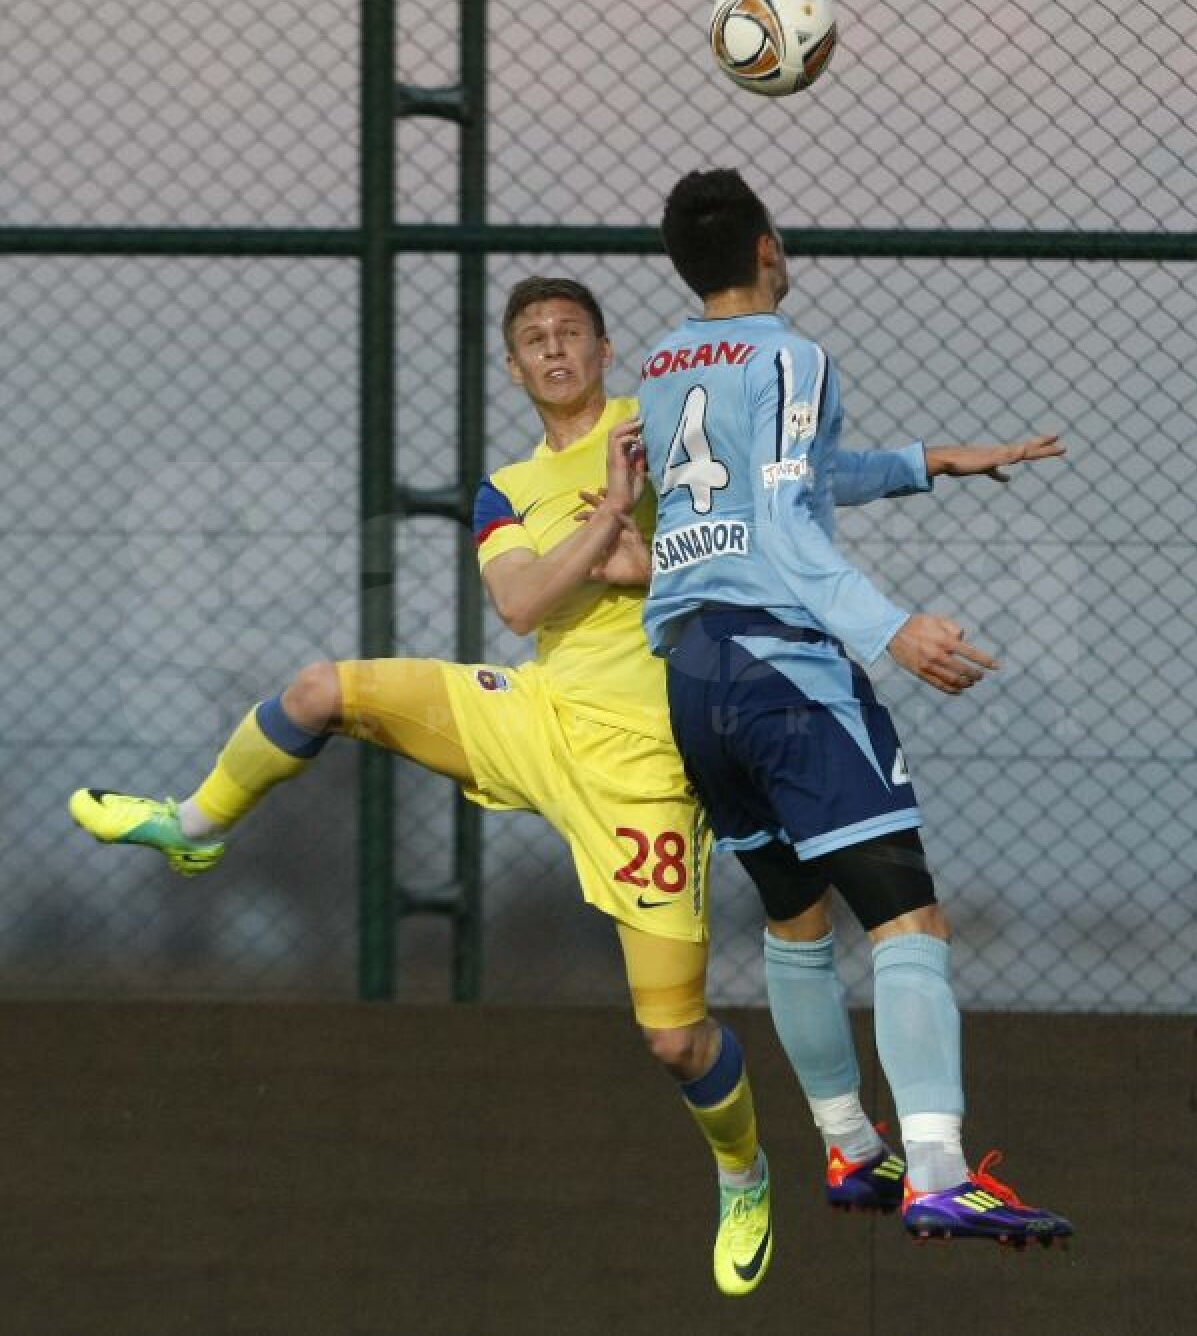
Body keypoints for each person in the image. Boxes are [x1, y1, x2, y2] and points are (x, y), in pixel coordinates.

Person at [70, 274, 1064, 1284]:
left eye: (571, 333)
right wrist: (609, 535)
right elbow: (518, 599)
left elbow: (787, 488)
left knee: (674, 1039)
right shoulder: (505, 488)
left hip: (649, 767)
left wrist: (925, 463)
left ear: (602, 349)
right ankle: (196, 822)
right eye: (534, 338)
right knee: (323, 689)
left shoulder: (659, 418)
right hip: (537, 714)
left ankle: (742, 1173)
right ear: (513, 366)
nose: (554, 349)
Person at [630, 168, 1073, 1246]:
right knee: (908, 918)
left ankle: (848, 1144)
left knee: (796, 920)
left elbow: (778, 480)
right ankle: (936, 1169)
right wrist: (892, 627)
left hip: (695, 674)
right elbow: (783, 525)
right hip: (785, 672)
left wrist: (927, 464)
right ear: (770, 246)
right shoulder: (791, 354)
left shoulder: (661, 366)